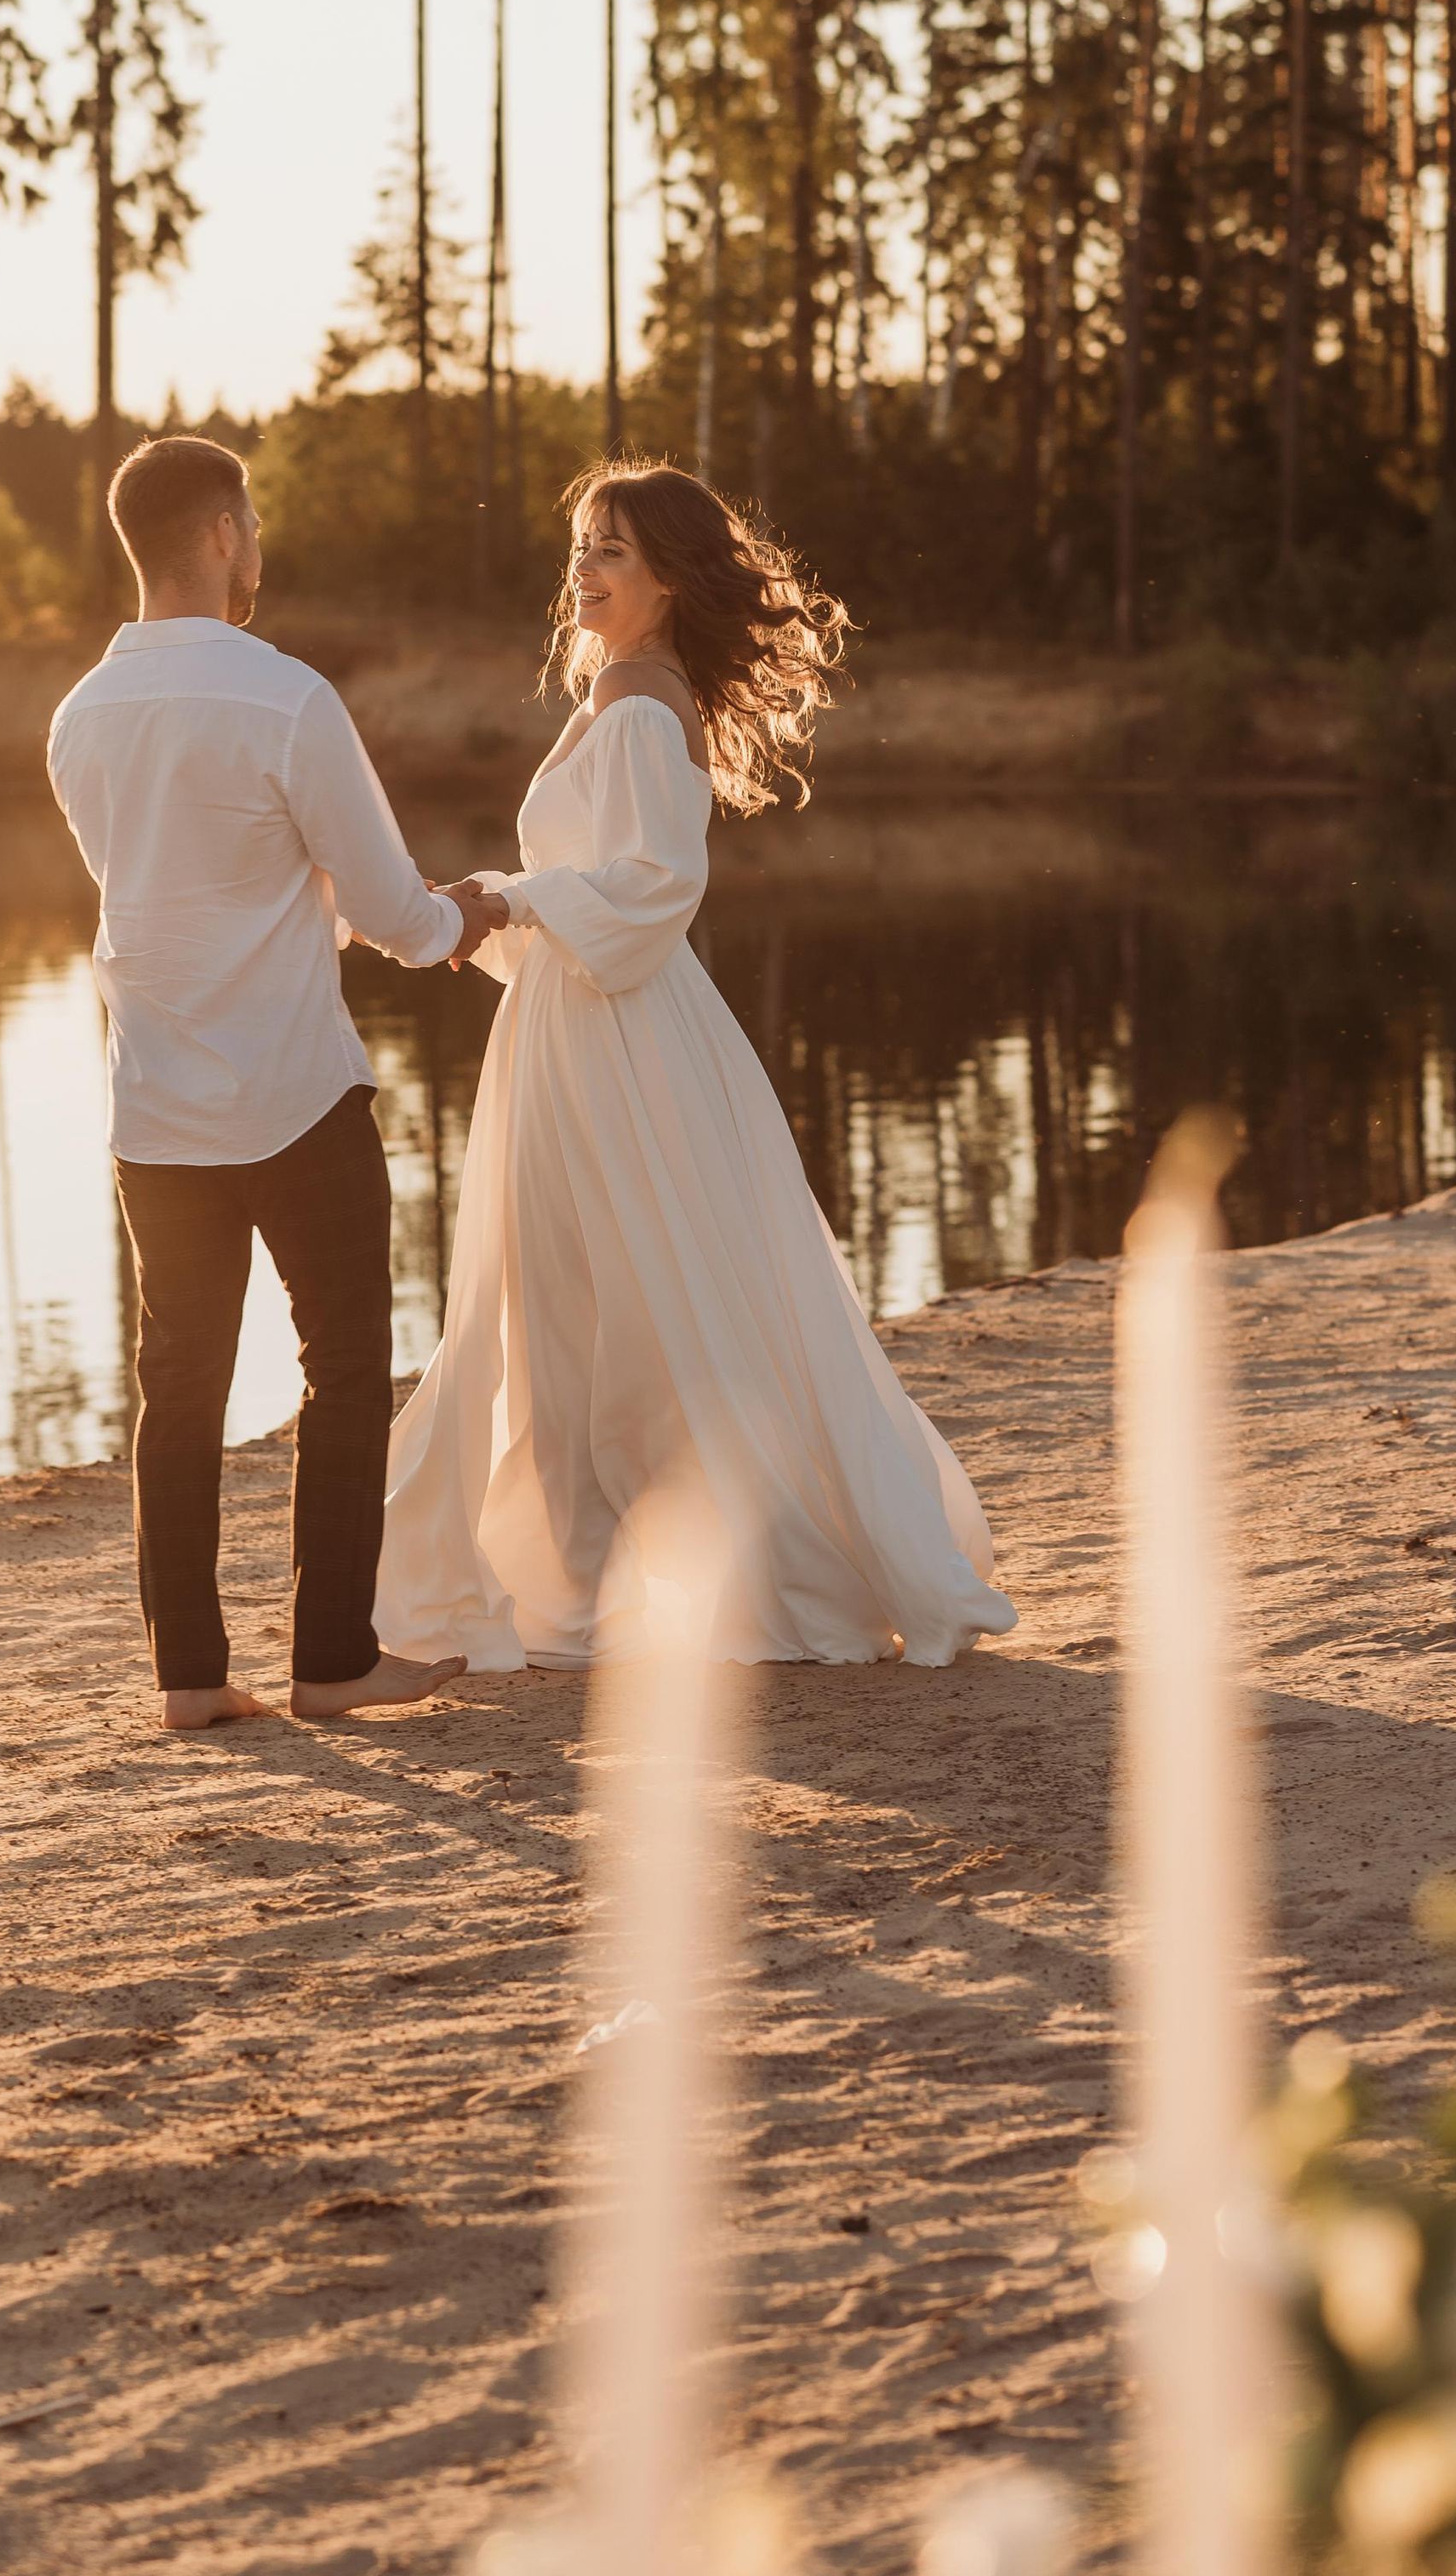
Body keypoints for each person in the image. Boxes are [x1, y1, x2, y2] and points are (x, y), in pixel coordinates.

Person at [375, 459, 1018, 1670]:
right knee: (576, 1307)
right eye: (578, 547)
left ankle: (644, 1570)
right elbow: (600, 889)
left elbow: (654, 890)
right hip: (580, 1034)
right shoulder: (625, 689)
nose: (584, 569)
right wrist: (487, 913)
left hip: (620, 1048)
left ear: (669, 579)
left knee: (619, 1307)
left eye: (610, 550)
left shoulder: (637, 699)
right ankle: (578, 1567)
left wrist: (503, 898)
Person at [47, 433, 506, 1730]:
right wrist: (454, 916)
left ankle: (191, 1678)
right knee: (348, 1365)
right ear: (217, 535)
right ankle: (331, 1660)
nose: (260, 546)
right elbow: (388, 905)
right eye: (250, 523)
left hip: (155, 1101)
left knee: (178, 1380)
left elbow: (193, 888)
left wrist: (338, 905)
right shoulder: (284, 699)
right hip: (296, 1092)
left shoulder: (79, 717)